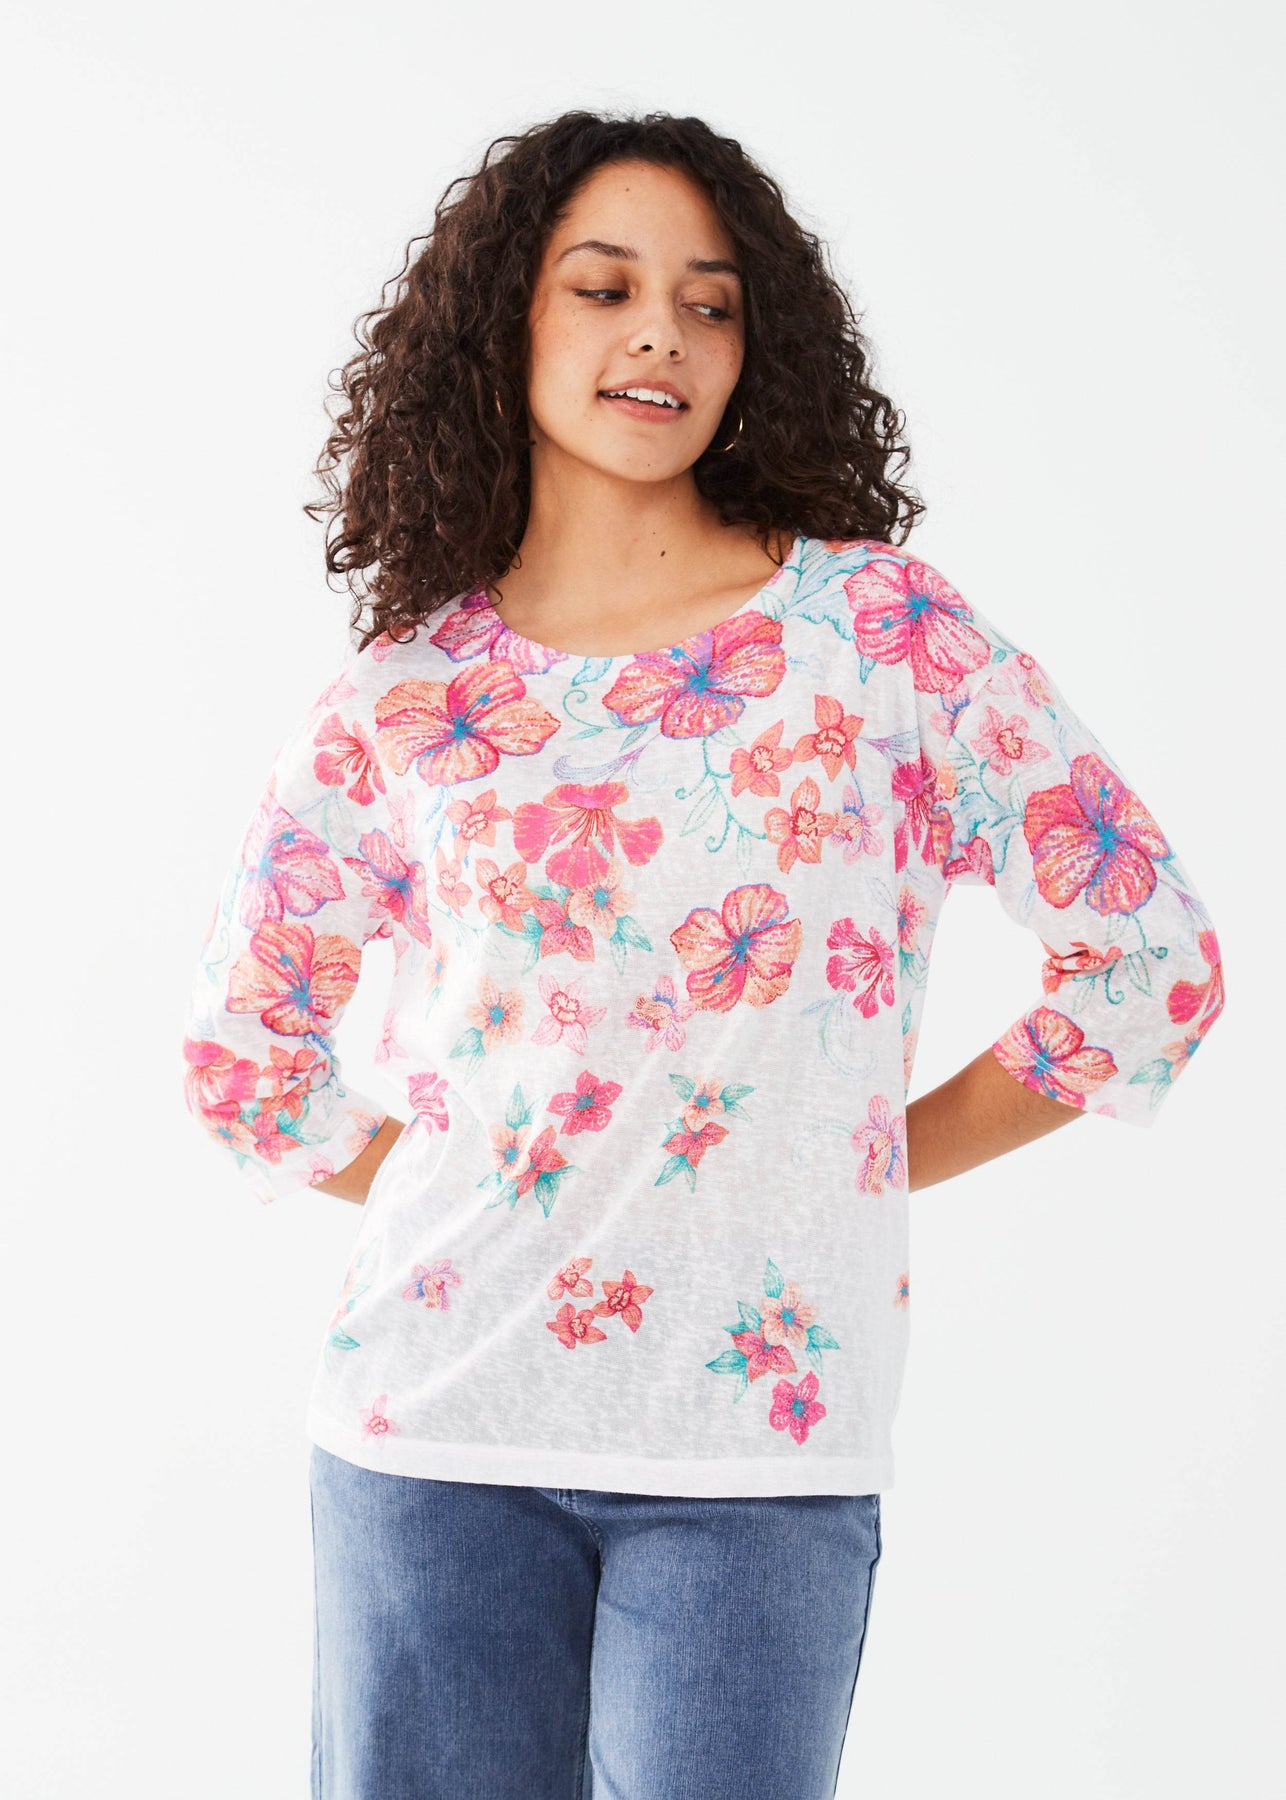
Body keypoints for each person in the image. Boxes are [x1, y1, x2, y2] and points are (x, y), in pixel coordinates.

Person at [180, 109, 1225, 1800]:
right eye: (602, 288)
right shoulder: (407, 694)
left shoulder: (882, 640)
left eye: (709, 303)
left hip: (757, 1461)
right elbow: (245, 1058)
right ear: (502, 326)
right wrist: (504, 1187)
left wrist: (840, 1156)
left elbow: (1147, 963)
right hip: (428, 1438)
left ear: (757, 352)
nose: (660, 332)